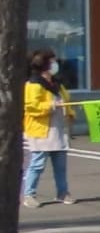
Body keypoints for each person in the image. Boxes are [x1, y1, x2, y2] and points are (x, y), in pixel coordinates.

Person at [21, 49, 75, 207]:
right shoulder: (33, 84)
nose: (55, 64)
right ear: (44, 64)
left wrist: (70, 113)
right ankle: (29, 195)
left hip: (58, 129)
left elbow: (66, 101)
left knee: (60, 166)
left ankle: (63, 193)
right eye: (52, 61)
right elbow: (31, 107)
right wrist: (50, 105)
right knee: (37, 164)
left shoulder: (57, 83)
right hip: (41, 130)